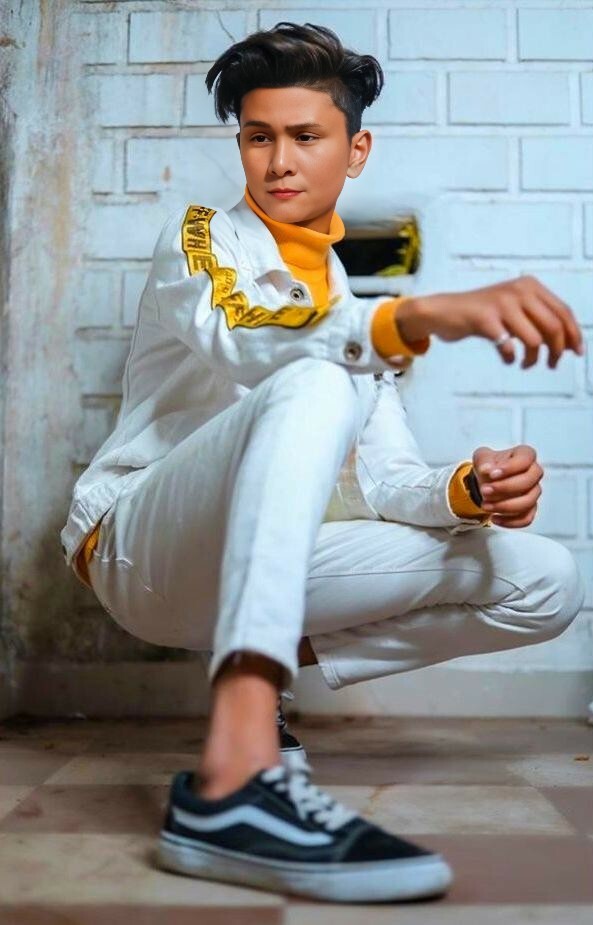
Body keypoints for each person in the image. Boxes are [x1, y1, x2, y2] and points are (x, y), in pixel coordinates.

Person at [60, 22, 586, 903]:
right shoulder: (200, 237)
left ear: (355, 149)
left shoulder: (344, 297)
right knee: (315, 376)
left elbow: (383, 480)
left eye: (305, 136)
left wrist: (466, 489)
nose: (278, 162)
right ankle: (235, 774)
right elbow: (244, 340)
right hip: (139, 547)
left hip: (250, 576)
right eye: (257, 137)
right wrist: (410, 317)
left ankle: (258, 672)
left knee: (544, 580)